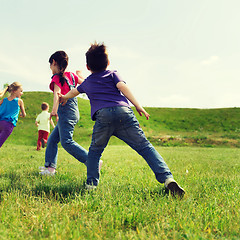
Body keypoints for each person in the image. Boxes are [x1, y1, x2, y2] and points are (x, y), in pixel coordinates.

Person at [59, 42, 185, 197]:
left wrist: (64, 97)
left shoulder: (88, 82)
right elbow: (123, 87)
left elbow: (74, 91)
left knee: (95, 152)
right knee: (145, 147)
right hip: (124, 113)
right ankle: (167, 178)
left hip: (103, 116)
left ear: (87, 67)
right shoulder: (113, 74)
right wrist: (138, 106)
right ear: (108, 63)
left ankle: (91, 185)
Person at [39, 51, 89, 176]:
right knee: (51, 140)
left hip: (65, 111)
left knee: (66, 141)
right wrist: (80, 75)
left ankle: (92, 161)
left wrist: (54, 110)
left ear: (54, 62)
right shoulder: (71, 75)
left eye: (50, 65)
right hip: (73, 111)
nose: (50, 68)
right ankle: (50, 169)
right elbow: (85, 84)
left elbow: (57, 94)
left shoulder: (57, 78)